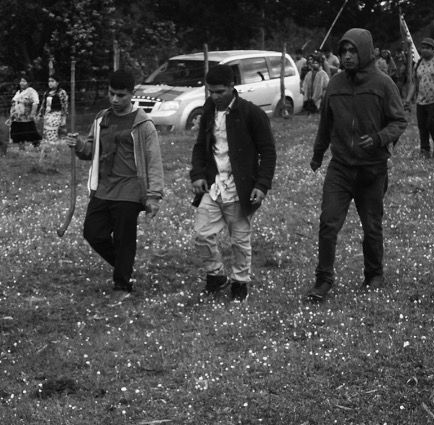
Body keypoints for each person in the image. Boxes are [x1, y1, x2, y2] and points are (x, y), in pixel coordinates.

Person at [306, 27, 408, 301]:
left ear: (364, 51)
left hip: (372, 170)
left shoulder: (383, 84)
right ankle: (323, 280)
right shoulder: (335, 85)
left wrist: (378, 139)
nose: (348, 56)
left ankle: (373, 274)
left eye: (353, 51)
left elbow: (400, 121)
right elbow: (325, 124)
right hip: (340, 168)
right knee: (328, 223)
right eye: (344, 51)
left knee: (371, 225)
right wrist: (318, 155)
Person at [67, 70, 165, 296]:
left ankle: (122, 284)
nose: (115, 100)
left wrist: (154, 196)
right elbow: (91, 150)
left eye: (121, 95)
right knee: (93, 233)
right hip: (104, 187)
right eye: (112, 94)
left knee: (124, 239)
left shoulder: (143, 124)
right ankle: (125, 266)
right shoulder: (102, 118)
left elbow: (154, 161)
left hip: (130, 190)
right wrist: (78, 144)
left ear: (132, 94)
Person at [189, 66, 276, 301]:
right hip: (214, 185)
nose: (214, 97)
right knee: (202, 233)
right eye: (210, 92)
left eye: (219, 92)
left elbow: (268, 152)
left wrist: (261, 184)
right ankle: (216, 275)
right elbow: (200, 146)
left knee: (239, 239)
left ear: (231, 87)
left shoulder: (251, 113)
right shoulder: (208, 111)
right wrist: (197, 174)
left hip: (241, 187)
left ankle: (240, 282)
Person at [408, 37, 434, 159]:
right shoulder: (418, 63)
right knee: (422, 126)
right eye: (423, 48)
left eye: (427, 48)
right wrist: (408, 99)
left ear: (433, 49)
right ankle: (424, 149)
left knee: (431, 123)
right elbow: (414, 83)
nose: (424, 50)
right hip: (421, 100)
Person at [9, 76, 41, 149]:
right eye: (21, 81)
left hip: (26, 117)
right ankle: (21, 147)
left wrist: (32, 114)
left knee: (30, 132)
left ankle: (37, 147)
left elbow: (35, 103)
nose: (22, 83)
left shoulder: (31, 91)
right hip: (17, 117)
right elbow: (14, 102)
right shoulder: (18, 92)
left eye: (24, 81)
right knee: (18, 133)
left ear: (28, 83)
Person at [39, 75, 69, 146]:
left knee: (52, 132)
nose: (50, 83)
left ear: (57, 83)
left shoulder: (61, 92)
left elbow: (65, 105)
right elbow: (43, 104)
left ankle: (53, 147)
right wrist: (40, 114)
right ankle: (47, 147)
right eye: (49, 81)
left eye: (52, 81)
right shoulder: (46, 92)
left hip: (56, 115)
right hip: (47, 115)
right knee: (46, 132)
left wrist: (64, 117)